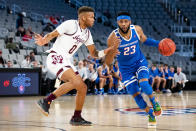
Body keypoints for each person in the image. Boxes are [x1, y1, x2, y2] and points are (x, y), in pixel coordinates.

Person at [34, 6, 113, 126]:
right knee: (76, 82)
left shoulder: (87, 34)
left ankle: (76, 116)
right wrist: (44, 40)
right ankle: (46, 101)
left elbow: (94, 53)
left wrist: (107, 51)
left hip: (67, 60)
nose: (94, 19)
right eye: (91, 17)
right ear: (83, 17)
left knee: (82, 88)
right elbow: (53, 33)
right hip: (56, 56)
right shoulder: (71, 24)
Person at [105, 12, 163, 126]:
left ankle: (154, 101)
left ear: (129, 22)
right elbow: (107, 62)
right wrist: (112, 53)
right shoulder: (112, 38)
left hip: (139, 62)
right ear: (117, 22)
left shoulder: (137, 29)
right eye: (121, 22)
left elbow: (145, 40)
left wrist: (159, 44)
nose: (123, 24)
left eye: (126, 21)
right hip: (125, 69)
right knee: (135, 94)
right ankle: (150, 113)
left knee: (144, 85)